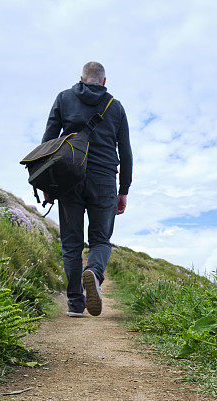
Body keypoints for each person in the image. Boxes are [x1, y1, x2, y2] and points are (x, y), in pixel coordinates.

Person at [41, 61, 132, 317]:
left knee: (71, 243)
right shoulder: (116, 107)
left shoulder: (64, 98)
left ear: (81, 78)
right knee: (101, 240)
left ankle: (75, 304)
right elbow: (125, 153)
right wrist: (123, 190)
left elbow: (48, 143)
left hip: (70, 178)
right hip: (104, 180)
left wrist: (48, 183)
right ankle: (93, 272)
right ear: (104, 82)